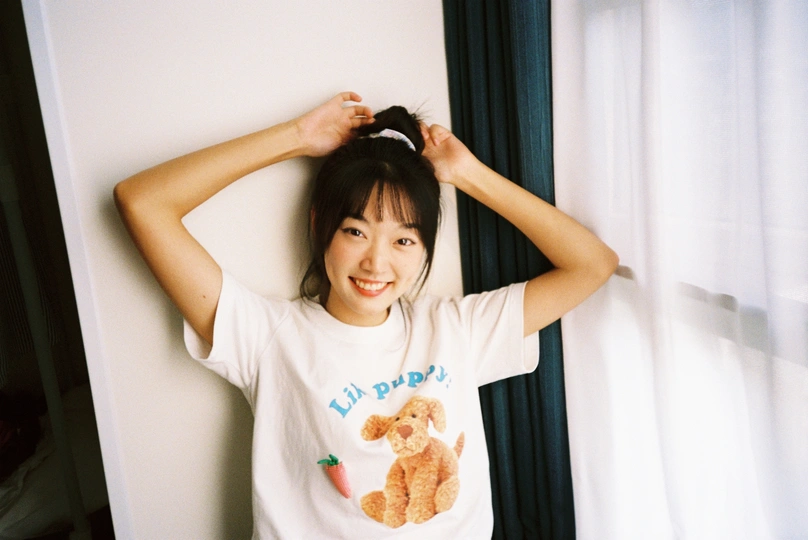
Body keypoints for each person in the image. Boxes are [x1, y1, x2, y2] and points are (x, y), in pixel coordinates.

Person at [114, 92, 618, 538]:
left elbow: (593, 264)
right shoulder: (268, 337)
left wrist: (467, 174)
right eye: (356, 232)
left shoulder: (455, 330)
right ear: (321, 226)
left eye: (403, 240)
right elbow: (142, 202)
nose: (377, 263)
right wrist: (296, 137)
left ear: (426, 248)